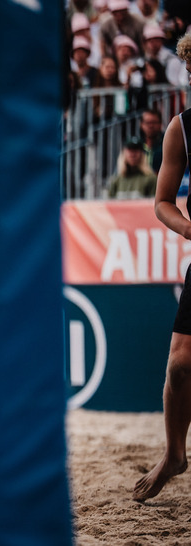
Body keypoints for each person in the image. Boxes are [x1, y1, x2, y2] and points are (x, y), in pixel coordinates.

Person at [135, 32, 191, 501]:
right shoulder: (182, 126)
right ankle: (175, 454)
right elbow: (162, 202)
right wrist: (190, 229)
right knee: (179, 367)